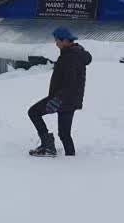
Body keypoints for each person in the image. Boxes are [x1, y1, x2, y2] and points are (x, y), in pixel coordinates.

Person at [29, 27, 91, 157]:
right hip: (70, 100)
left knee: (34, 112)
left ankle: (48, 146)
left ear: (65, 41)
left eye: (57, 40)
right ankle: (70, 157)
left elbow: (70, 83)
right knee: (64, 133)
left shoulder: (70, 57)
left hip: (63, 99)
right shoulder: (74, 53)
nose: (56, 43)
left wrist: (57, 99)